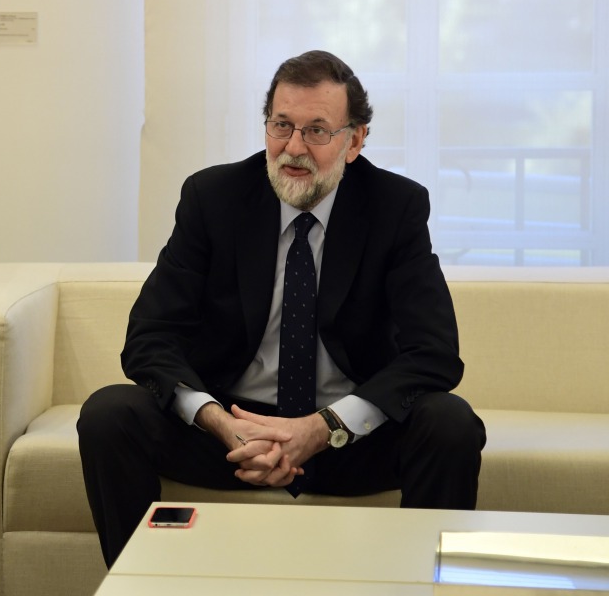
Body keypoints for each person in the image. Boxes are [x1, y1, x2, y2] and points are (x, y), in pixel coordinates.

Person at [78, 50, 485, 566]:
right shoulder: (213, 197)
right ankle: (140, 583)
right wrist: (219, 422)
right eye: (281, 125)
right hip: (233, 432)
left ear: (355, 140)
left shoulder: (394, 206)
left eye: (317, 131)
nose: (293, 147)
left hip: (346, 436)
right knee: (109, 415)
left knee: (450, 424)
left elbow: (435, 353)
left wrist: (322, 428)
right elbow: (149, 336)